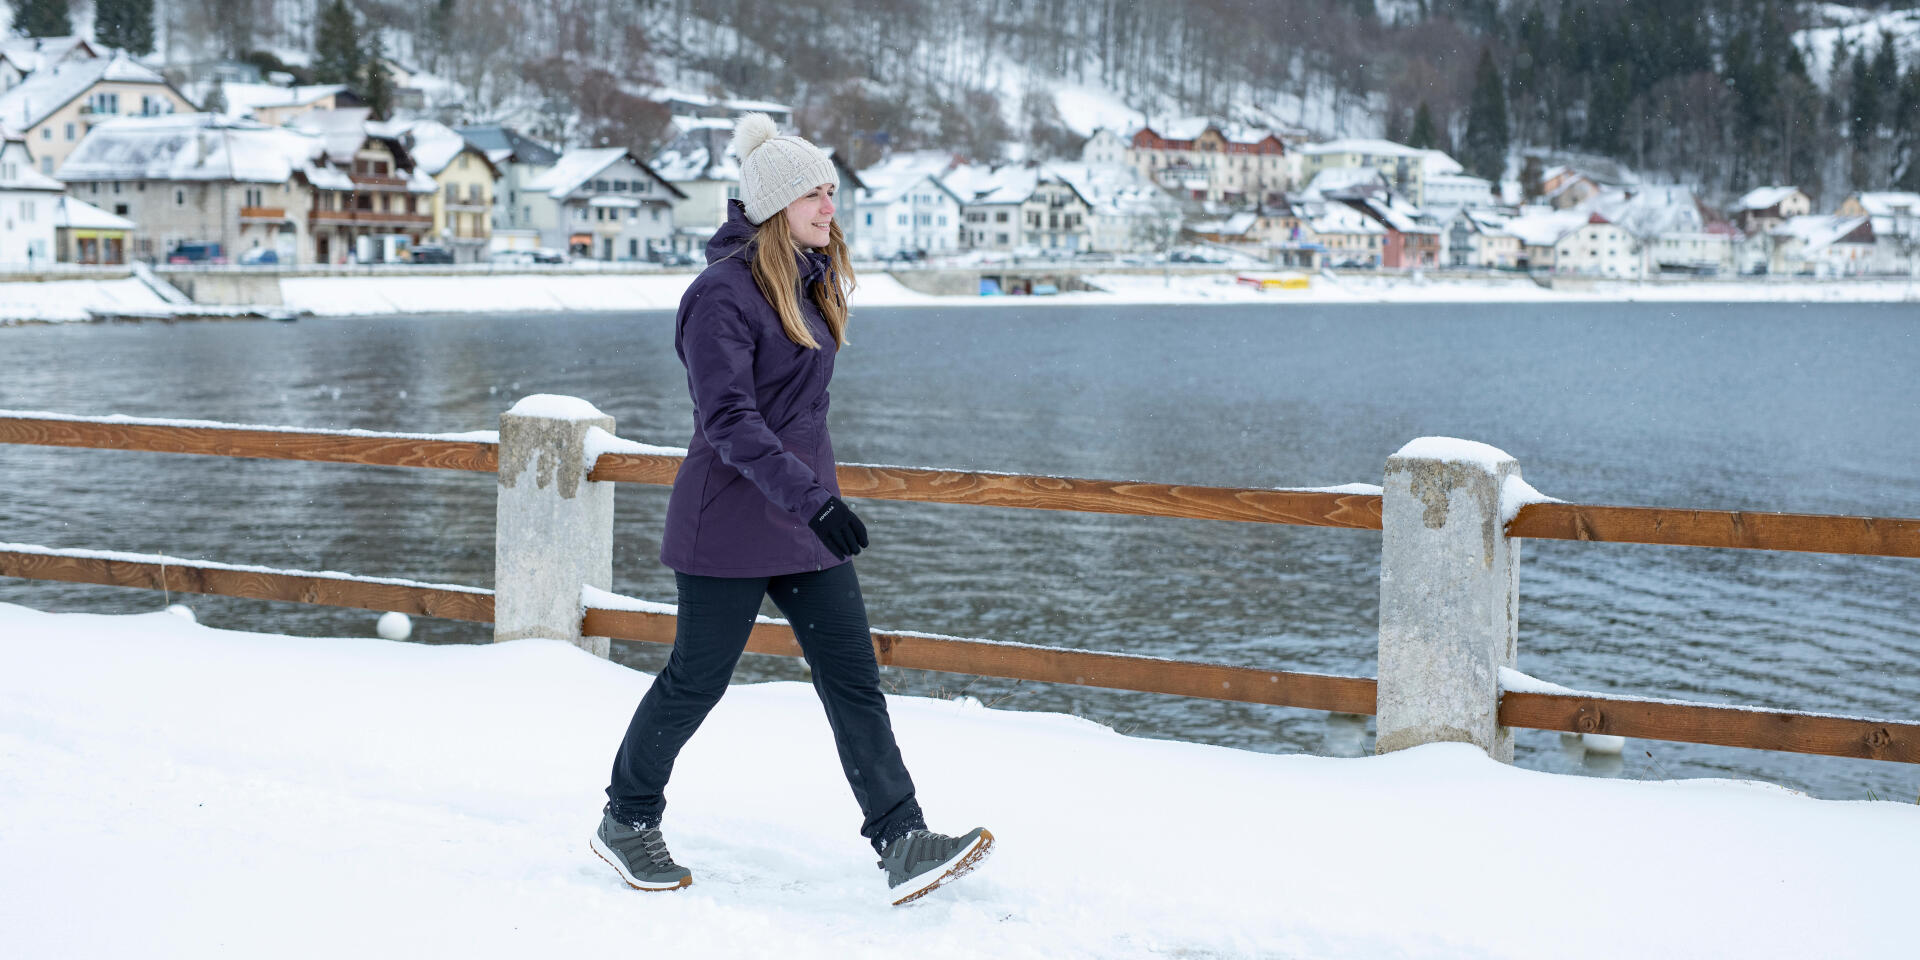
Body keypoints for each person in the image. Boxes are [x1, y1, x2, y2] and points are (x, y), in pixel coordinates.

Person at [591, 113, 993, 906]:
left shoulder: (807, 276)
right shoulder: (717, 297)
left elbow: (801, 414)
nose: (829, 203)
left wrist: (816, 504)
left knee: (853, 682)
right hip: (729, 525)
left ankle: (902, 839)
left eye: (832, 189)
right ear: (774, 202)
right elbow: (730, 421)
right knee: (695, 681)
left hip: (803, 523)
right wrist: (816, 503)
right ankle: (626, 818)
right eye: (814, 191)